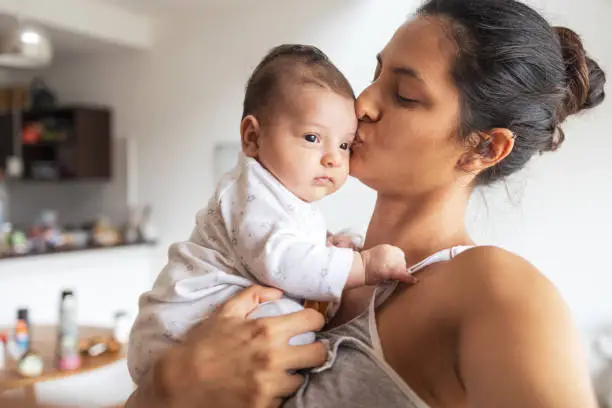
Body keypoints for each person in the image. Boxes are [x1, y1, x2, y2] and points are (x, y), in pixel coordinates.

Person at [126, 0, 606, 407]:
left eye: (403, 95)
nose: (362, 104)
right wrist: (167, 387)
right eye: (374, 75)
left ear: (484, 148)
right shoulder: (316, 256)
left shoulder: (494, 292)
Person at [127, 45, 416, 383]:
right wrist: (361, 266)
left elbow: (281, 243)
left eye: (344, 145)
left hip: (196, 334)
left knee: (293, 320)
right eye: (312, 137)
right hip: (177, 329)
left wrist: (326, 245)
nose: (334, 159)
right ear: (253, 137)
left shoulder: (282, 196)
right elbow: (280, 261)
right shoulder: (253, 192)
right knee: (290, 326)